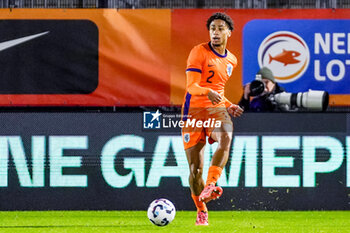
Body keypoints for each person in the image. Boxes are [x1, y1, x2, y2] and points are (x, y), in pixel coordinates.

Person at [181, 12, 243, 226]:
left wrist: (228, 104)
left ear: (229, 32)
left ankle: (211, 185)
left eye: (220, 28)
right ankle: (201, 209)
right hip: (194, 112)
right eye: (212, 29)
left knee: (226, 135)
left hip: (216, 110)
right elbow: (192, 86)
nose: (215, 32)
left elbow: (218, 90)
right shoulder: (199, 52)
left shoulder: (232, 60)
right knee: (194, 170)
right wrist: (207, 92)